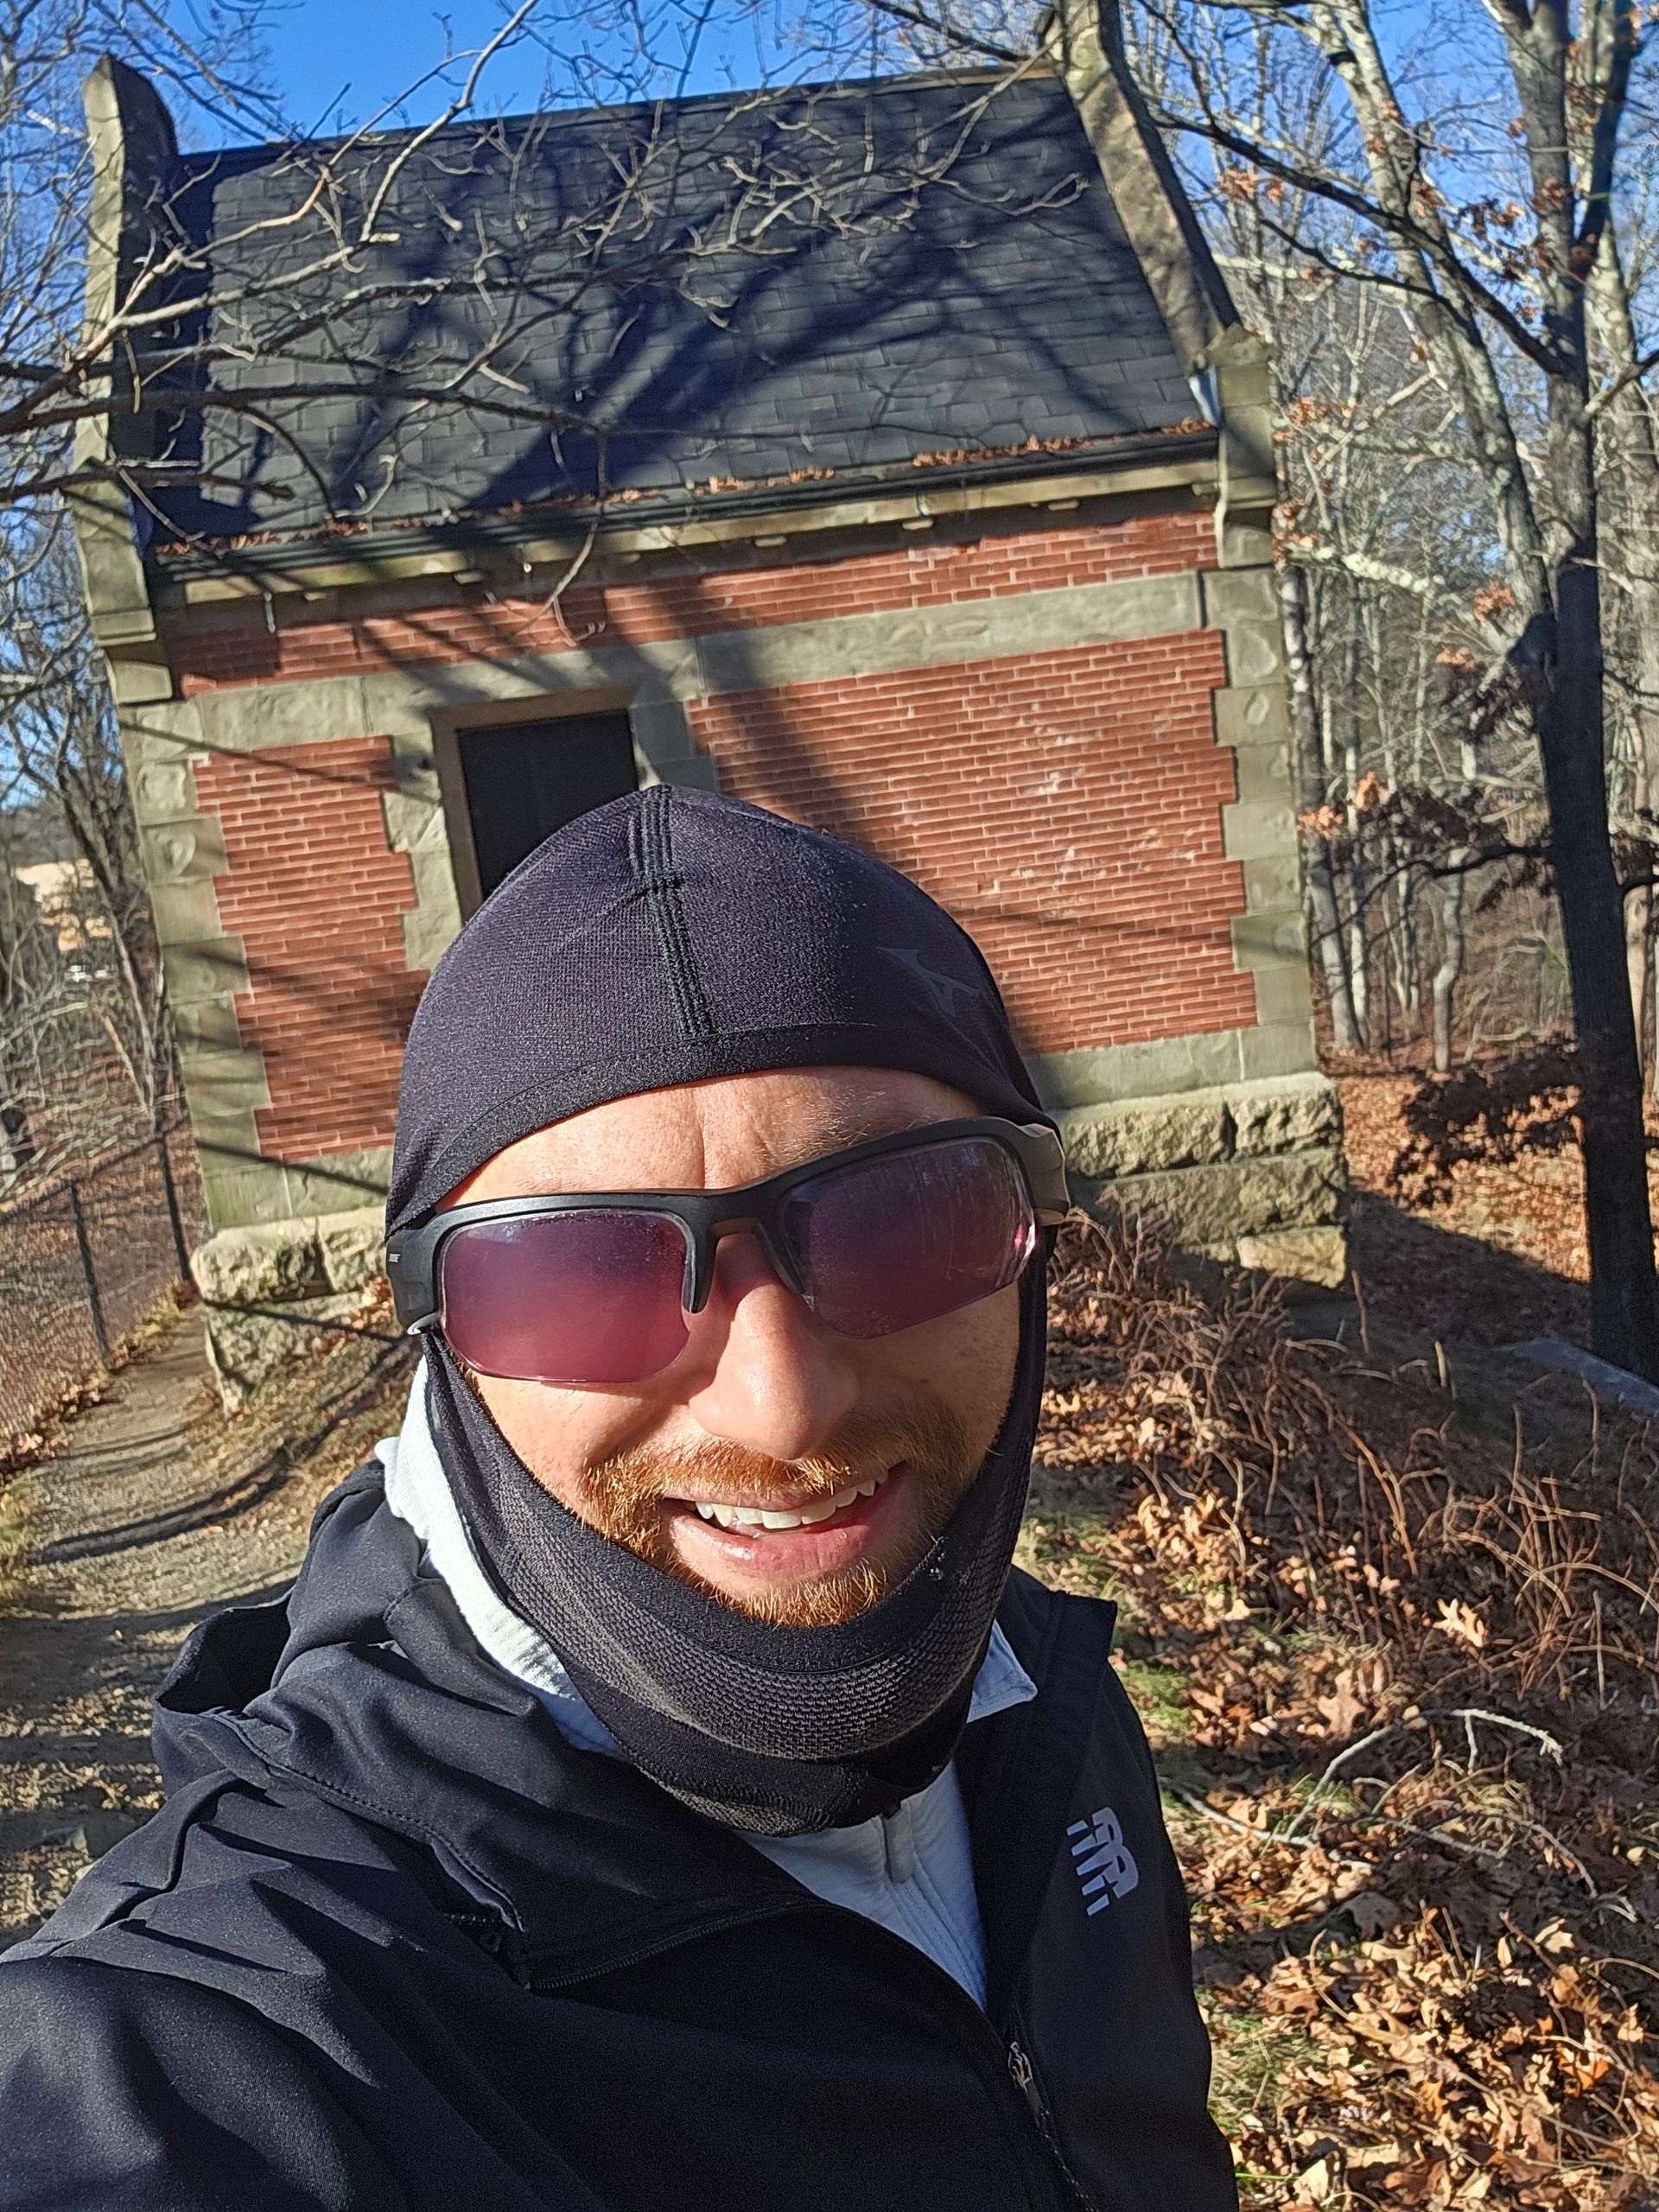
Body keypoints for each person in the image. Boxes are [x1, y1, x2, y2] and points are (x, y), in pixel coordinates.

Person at [0, 787, 1236, 2211]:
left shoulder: (1040, 1708)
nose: (784, 1408)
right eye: (584, 1275)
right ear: (446, 1339)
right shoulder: (244, 2027)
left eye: (906, 1215)